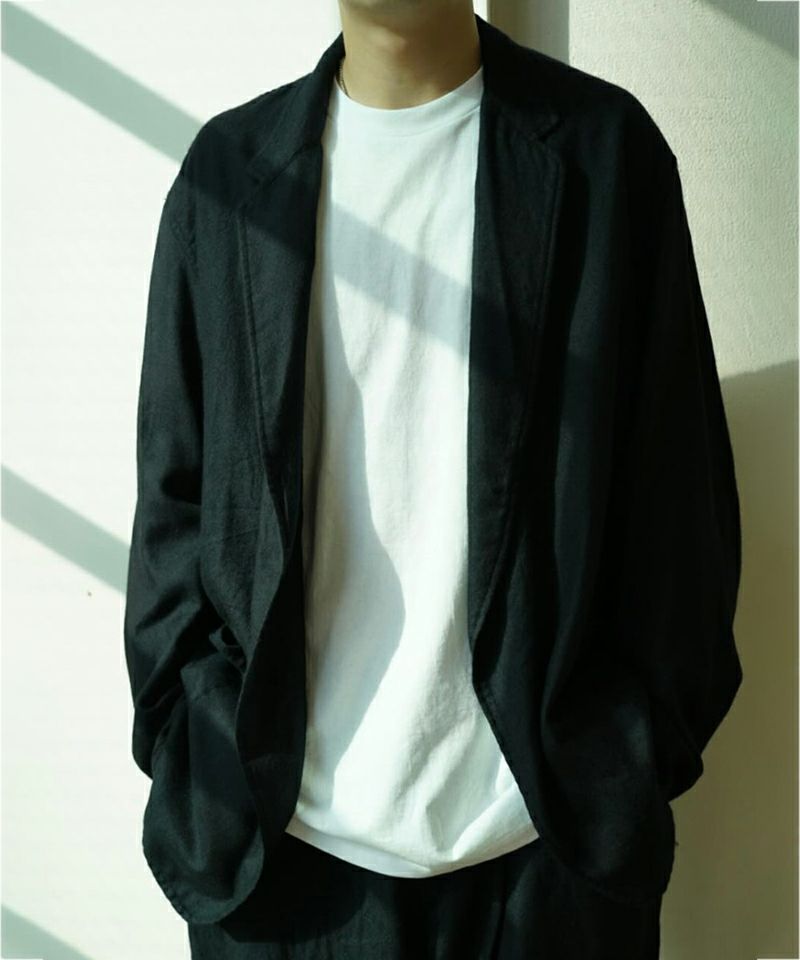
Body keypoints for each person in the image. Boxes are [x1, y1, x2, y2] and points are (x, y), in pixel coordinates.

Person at [123, 3, 744, 958]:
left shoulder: (606, 157)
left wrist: (625, 755)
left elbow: (680, 511)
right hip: (281, 864)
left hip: (543, 859)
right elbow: (175, 500)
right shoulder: (228, 175)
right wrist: (194, 745)